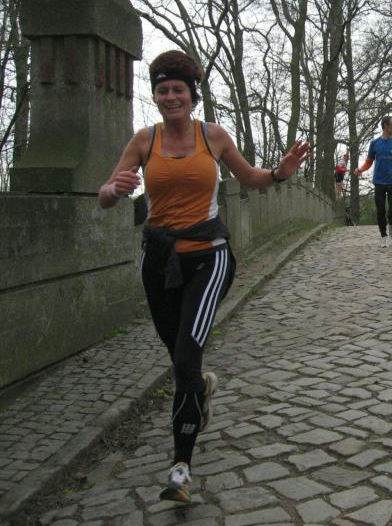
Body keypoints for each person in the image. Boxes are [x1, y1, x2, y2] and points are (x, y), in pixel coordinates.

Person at [98, 50, 309, 504]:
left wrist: (279, 172)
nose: (170, 96)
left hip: (209, 257)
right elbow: (105, 195)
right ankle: (201, 389)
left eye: (179, 89)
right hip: (159, 260)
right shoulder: (144, 140)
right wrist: (114, 189)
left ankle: (180, 469)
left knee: (186, 357)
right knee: (181, 361)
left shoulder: (212, 136)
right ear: (155, 96)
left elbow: (249, 177)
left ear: (192, 96)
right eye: (162, 90)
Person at [354, 115, 392, 247]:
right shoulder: (375, 143)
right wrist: (361, 169)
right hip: (379, 182)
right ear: (385, 126)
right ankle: (383, 237)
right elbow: (369, 161)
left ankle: (391, 223)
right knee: (380, 211)